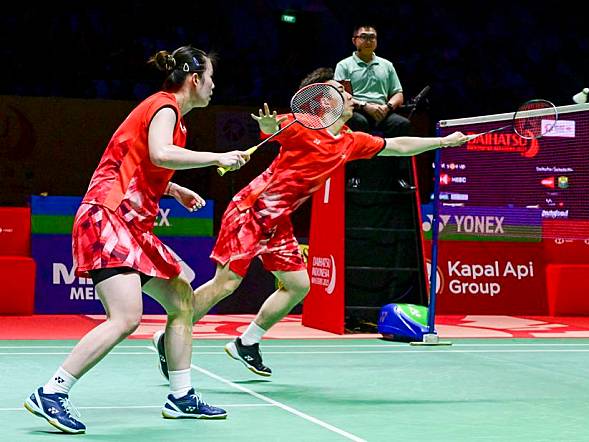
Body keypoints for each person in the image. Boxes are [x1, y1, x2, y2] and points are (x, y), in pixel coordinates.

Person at [152, 67, 467, 379]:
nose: (346, 94)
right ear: (323, 103)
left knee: (299, 285)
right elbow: (271, 128)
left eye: (344, 91)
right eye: (338, 91)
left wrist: (442, 143)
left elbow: (397, 146)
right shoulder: (303, 126)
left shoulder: (350, 142)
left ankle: (246, 343)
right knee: (227, 284)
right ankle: (170, 337)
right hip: (251, 211)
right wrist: (265, 125)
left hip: (278, 223)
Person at [24, 45, 250, 434]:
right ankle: (52, 392)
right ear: (194, 80)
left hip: (129, 225)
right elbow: (161, 153)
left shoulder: (172, 117)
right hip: (107, 217)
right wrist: (217, 156)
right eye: (211, 78)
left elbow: (142, 160)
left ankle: (181, 396)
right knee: (126, 317)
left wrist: (173, 189)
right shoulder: (164, 107)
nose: (214, 86)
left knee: (180, 299)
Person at [334, 24, 410, 138]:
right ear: (354, 40)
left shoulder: (387, 65)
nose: (368, 41)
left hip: (382, 111)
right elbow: (339, 95)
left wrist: (387, 107)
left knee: (401, 123)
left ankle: (391, 156)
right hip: (356, 110)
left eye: (372, 37)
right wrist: (365, 106)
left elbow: (398, 94)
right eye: (364, 37)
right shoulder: (344, 65)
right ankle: (363, 155)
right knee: (359, 122)